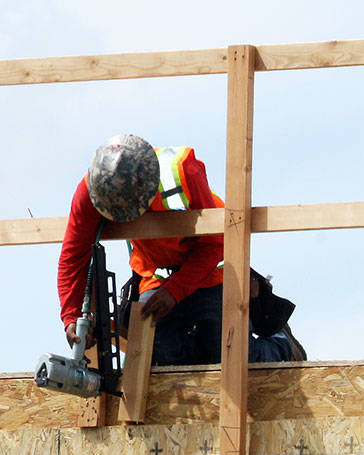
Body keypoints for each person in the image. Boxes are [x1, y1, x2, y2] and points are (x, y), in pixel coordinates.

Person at [57, 134, 304, 365]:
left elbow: (216, 242)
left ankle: (282, 344)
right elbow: (73, 255)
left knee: (229, 354)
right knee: (157, 353)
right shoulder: (95, 191)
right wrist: (71, 317)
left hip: (211, 270)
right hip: (156, 277)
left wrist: (175, 291)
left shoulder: (184, 172)